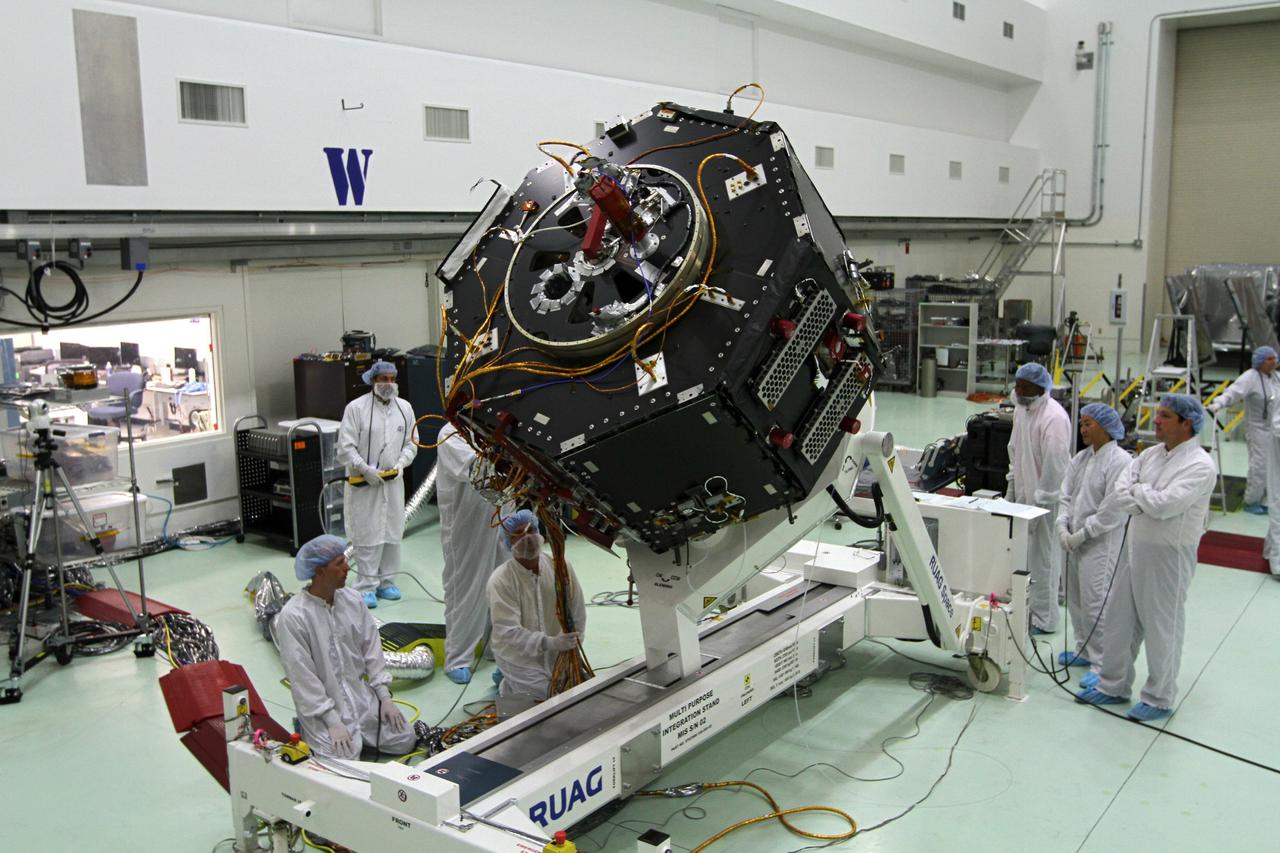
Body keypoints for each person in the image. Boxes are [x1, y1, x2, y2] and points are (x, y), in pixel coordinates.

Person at [1076, 394, 1217, 721]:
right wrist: (1143, 497)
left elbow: (1167, 505)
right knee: (1119, 620)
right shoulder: (1150, 455)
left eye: (1165, 416)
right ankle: (1113, 685)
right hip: (1135, 548)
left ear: (1187, 423)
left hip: (1169, 557)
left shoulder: (1200, 465)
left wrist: (1140, 495)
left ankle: (1159, 697)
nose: (1156, 421)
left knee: (1161, 626)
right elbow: (1122, 491)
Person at [275, 535, 415, 758]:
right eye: (339, 564)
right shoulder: (294, 617)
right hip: (323, 709)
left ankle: (363, 734)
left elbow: (372, 649)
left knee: (404, 740)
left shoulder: (352, 600)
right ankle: (309, 729)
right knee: (345, 759)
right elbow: (302, 676)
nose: (348, 568)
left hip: (361, 697)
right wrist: (331, 719)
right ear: (320, 571)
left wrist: (384, 697)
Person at [1055, 403, 1133, 690]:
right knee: (1075, 599)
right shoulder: (1081, 458)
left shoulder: (1120, 461)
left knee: (1096, 602)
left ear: (1105, 427)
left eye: (1089, 424)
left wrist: (1082, 535)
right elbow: (1066, 494)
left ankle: (1103, 664)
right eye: (1082, 424)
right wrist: (1063, 526)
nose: (1084, 429)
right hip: (1073, 539)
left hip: (1101, 543)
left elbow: (1111, 511)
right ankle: (1083, 649)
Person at [336, 360, 417, 607]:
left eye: (392, 379)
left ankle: (386, 582)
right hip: (364, 484)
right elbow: (345, 447)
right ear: (373, 381)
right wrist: (364, 468)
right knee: (367, 533)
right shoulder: (356, 409)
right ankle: (365, 586)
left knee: (392, 533)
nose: (388, 384)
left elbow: (412, 442)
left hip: (393, 484)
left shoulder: (405, 408)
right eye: (383, 379)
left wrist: (402, 463)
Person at [436, 421, 510, 684]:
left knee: (504, 588)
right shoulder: (450, 433)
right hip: (467, 525)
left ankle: (496, 649)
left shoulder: (495, 428)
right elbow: (474, 469)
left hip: (503, 518)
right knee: (466, 589)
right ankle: (458, 657)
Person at [487, 514, 586, 708]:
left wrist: (573, 648)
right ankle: (507, 684)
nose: (529, 538)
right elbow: (508, 632)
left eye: (531, 530)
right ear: (508, 541)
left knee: (578, 691)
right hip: (518, 656)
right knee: (546, 699)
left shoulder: (560, 568)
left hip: (560, 651)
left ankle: (511, 680)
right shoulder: (501, 580)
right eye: (519, 534)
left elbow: (578, 611)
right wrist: (550, 642)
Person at [1006, 362, 1072, 634]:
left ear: (1040, 388)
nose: (1018, 389)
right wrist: (1011, 489)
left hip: (1047, 500)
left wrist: (1042, 501)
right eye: (1017, 383)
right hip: (1024, 496)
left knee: (1044, 559)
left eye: (1025, 386)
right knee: (1023, 556)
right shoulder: (1022, 411)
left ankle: (1045, 619)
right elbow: (1014, 450)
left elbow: (1055, 464)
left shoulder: (1053, 417)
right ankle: (1027, 610)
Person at [1206, 345, 1278, 513]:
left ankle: (1269, 499)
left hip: (1275, 429)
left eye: (1275, 358)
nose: (1274, 361)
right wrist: (1218, 403)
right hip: (1258, 430)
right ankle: (1251, 501)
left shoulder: (1276, 378)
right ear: (1259, 362)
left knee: (1274, 466)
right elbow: (1233, 392)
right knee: (1259, 467)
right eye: (1269, 359)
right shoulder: (1250, 378)